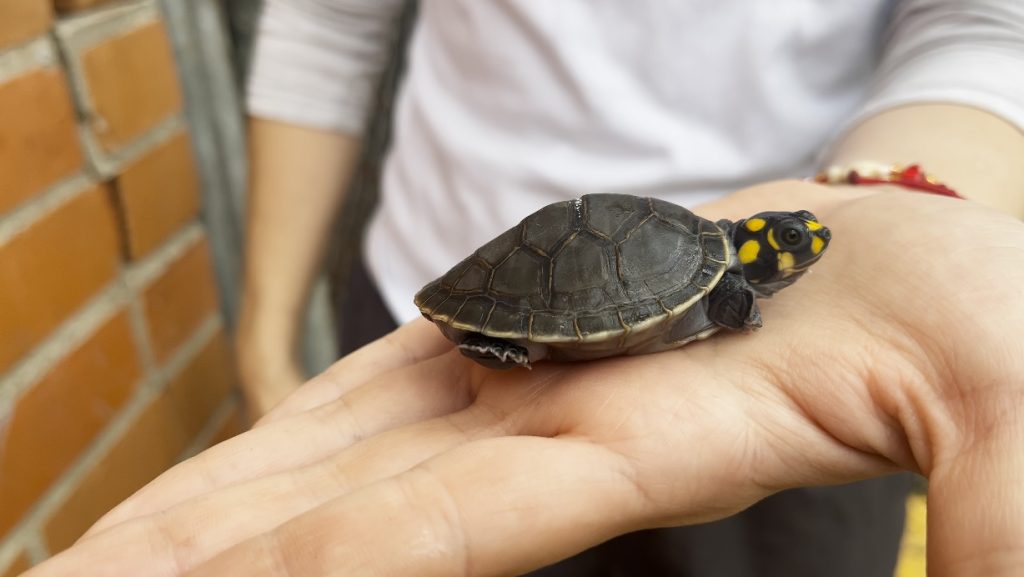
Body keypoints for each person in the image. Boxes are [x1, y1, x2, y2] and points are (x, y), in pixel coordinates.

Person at [25, 1, 1024, 576]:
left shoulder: (752, 283)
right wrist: (264, 339)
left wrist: (899, 199)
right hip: (431, 305)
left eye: (796, 248)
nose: (794, 257)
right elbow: (327, 21)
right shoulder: (722, 278)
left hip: (795, 404)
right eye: (791, 249)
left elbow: (986, 22)